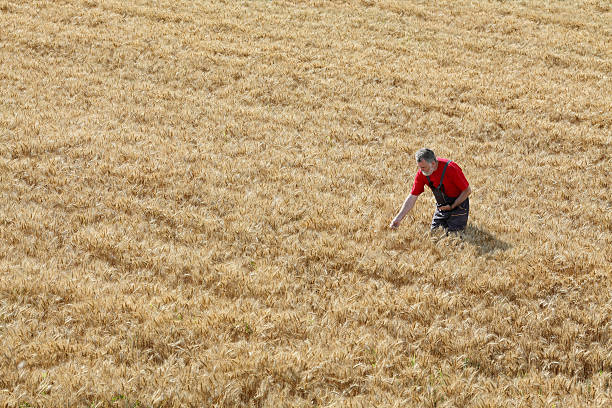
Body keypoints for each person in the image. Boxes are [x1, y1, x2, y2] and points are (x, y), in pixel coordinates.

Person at [390, 148, 471, 233]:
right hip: (442, 207)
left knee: (454, 236)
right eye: (420, 167)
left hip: (459, 206)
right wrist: (398, 218)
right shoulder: (422, 173)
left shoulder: (451, 168)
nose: (421, 170)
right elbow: (412, 196)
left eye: (424, 167)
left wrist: (452, 206)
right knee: (435, 234)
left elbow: (467, 191)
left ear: (433, 163)